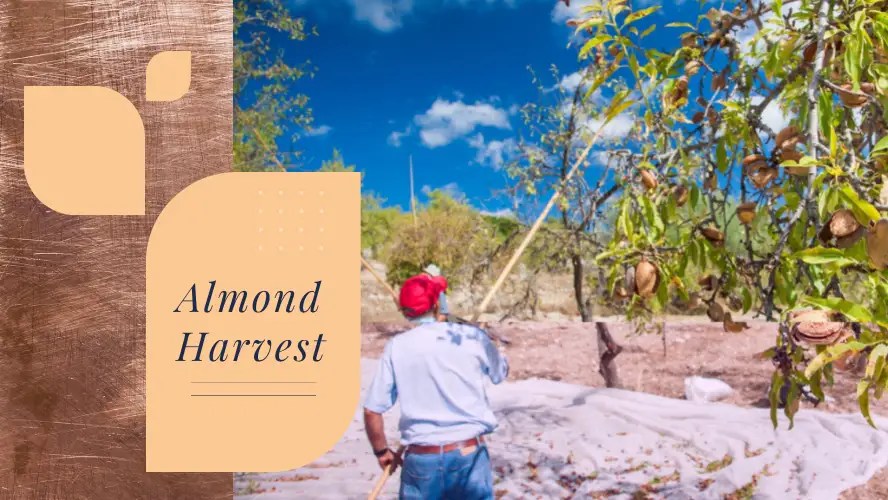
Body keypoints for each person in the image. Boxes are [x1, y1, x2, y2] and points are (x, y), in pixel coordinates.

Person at [363, 273, 509, 499]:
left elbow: (372, 410)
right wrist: (490, 342)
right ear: (436, 304)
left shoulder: (397, 346)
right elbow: (500, 373)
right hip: (468, 455)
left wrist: (381, 451)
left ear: (405, 311)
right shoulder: (472, 337)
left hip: (422, 461)